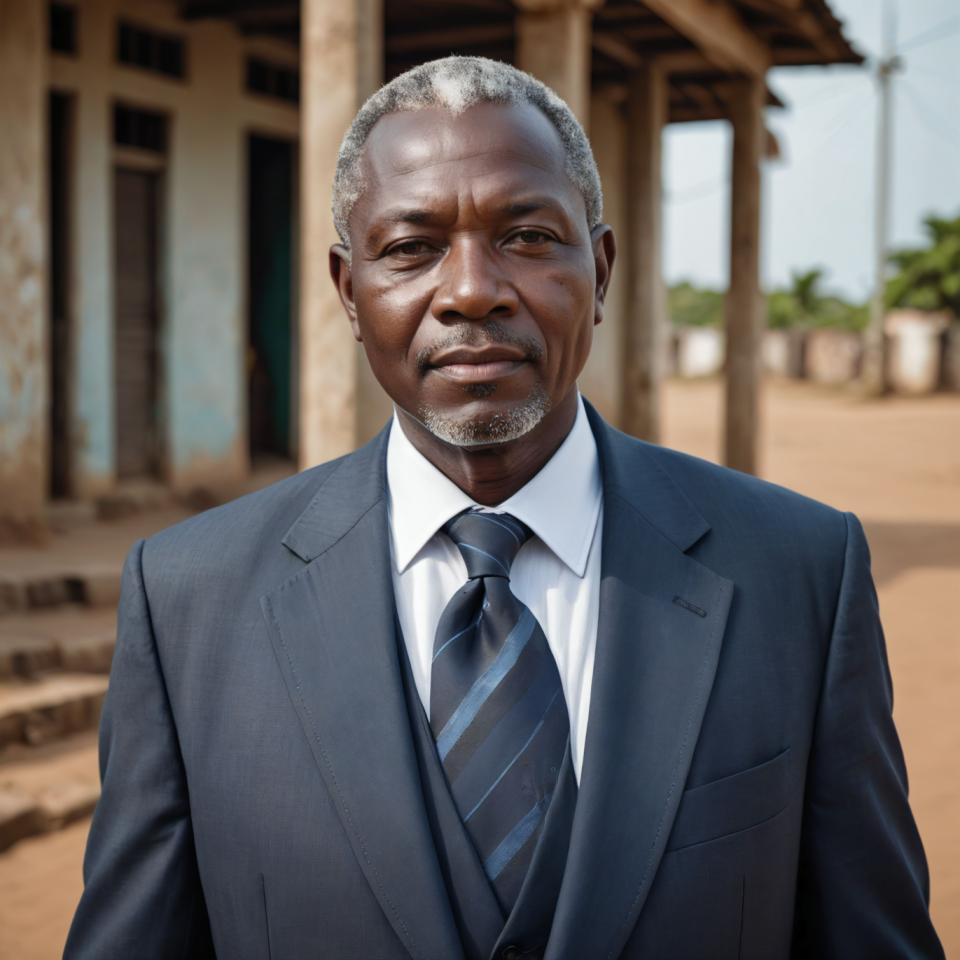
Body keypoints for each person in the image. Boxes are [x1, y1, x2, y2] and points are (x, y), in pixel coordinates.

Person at [65, 56, 943, 960]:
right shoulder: (189, 603)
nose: (472, 290)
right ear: (348, 294)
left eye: (526, 237)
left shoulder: (798, 573)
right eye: (411, 248)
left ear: (600, 271)